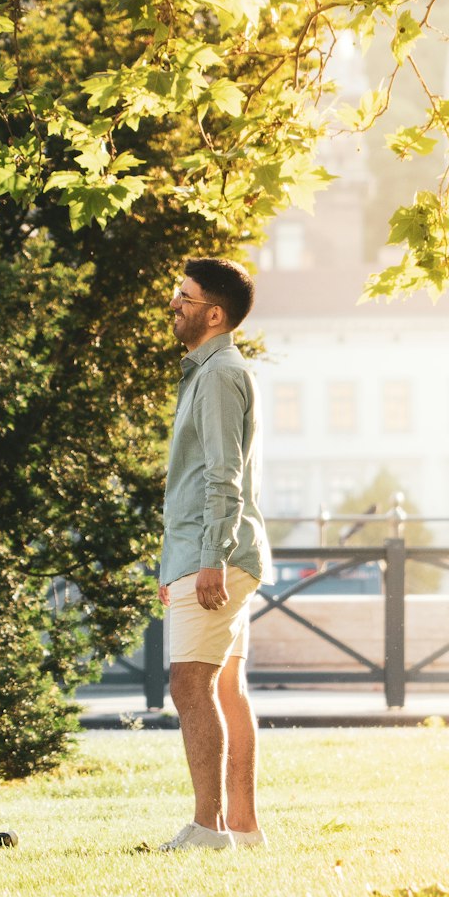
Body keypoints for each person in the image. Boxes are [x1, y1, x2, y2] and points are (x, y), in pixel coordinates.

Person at [157, 258, 273, 852]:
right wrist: (173, 563)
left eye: (185, 296)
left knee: (189, 685)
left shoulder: (220, 374)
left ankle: (208, 828)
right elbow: (199, 476)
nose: (174, 303)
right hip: (207, 552)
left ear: (214, 313)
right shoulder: (211, 372)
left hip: (216, 556)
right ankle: (244, 830)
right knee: (226, 686)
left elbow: (223, 477)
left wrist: (208, 559)